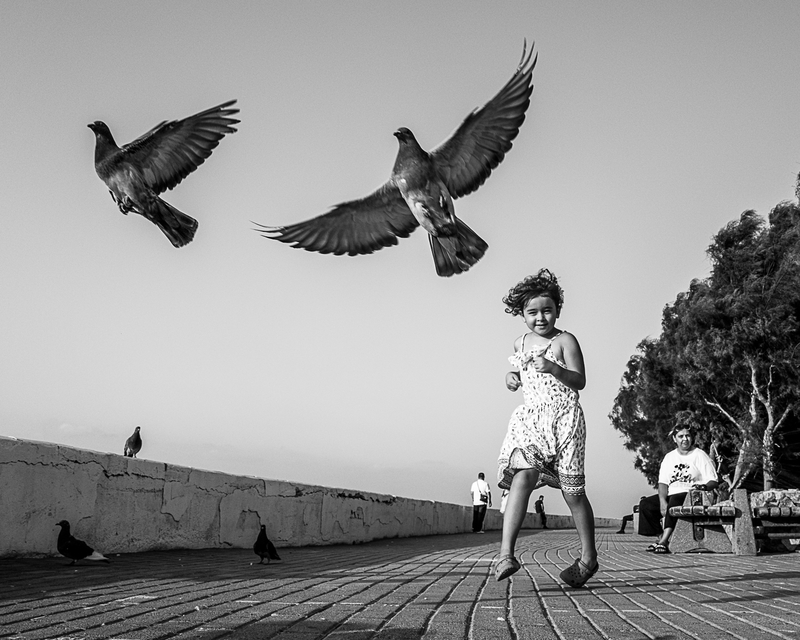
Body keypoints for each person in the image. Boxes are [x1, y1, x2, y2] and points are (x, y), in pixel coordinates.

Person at [495, 269, 598, 587]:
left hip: (565, 421)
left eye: (547, 310)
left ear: (557, 309)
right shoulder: (521, 342)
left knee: (572, 494)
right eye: (532, 312)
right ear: (522, 314)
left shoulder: (565, 340)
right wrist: (511, 378)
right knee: (523, 475)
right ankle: (505, 554)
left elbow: (580, 380)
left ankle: (589, 558)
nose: (540, 317)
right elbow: (519, 375)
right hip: (532, 422)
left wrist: (554, 367)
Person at [648, 425, 719, 554]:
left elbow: (713, 480)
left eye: (687, 436)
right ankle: (661, 538)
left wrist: (704, 487)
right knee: (646, 506)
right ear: (675, 439)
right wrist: (662, 501)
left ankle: (663, 541)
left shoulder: (699, 455)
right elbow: (663, 483)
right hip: (672, 493)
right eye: (681, 436)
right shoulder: (669, 457)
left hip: (692, 494)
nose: (685, 439)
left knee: (674, 501)